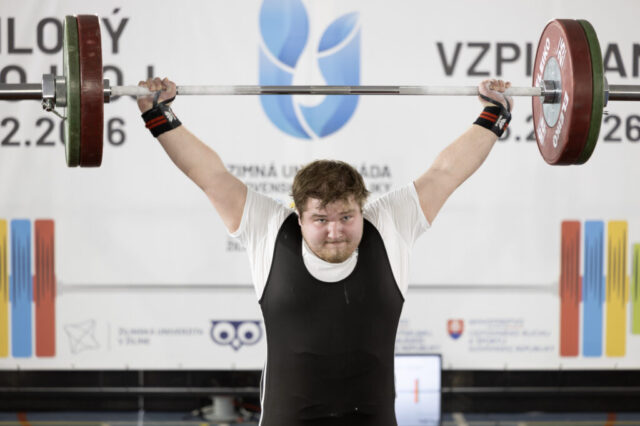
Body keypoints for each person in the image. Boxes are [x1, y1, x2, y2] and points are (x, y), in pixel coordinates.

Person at [137, 78, 513, 426]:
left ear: (362, 208)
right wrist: (158, 115)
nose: (335, 232)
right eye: (320, 219)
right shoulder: (269, 228)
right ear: (299, 216)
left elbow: (446, 173)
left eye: (346, 216)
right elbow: (209, 175)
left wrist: (494, 114)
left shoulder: (390, 224)